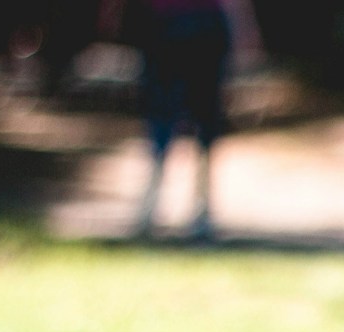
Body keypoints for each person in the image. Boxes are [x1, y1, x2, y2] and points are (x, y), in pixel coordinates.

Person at [101, 0, 259, 241]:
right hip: (198, 27)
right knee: (202, 117)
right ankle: (199, 210)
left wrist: (112, 13)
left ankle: (153, 208)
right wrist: (245, 31)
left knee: (164, 116)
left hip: (169, 26)